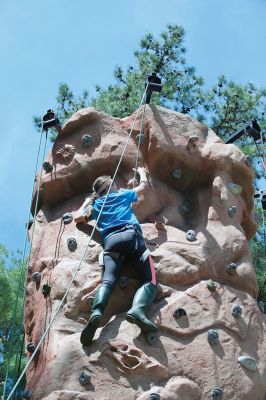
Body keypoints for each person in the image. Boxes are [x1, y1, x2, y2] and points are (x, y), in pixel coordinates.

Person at [74, 167, 157, 346]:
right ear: (110, 185)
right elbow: (143, 188)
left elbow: (78, 219)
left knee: (108, 281)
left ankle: (96, 312)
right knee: (150, 279)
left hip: (111, 243)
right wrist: (142, 173)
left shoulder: (97, 205)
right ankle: (138, 310)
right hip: (131, 237)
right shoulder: (121, 195)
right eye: (114, 183)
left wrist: (87, 202)